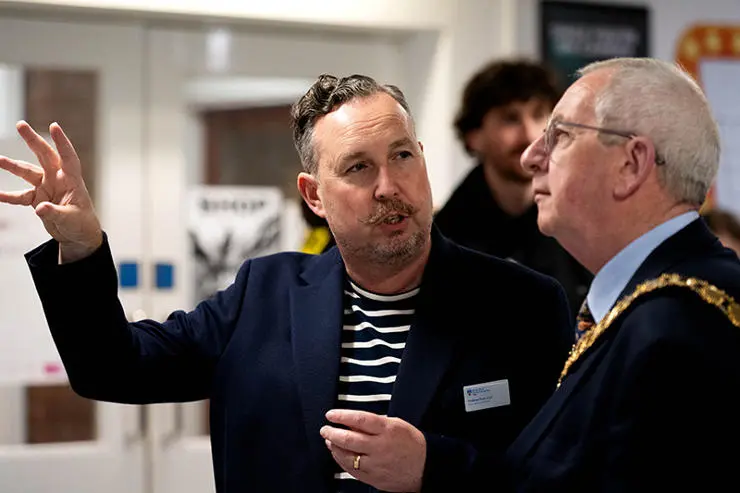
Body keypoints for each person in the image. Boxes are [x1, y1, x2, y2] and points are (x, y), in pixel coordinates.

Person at [0, 74, 572, 492]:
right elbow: (111, 367)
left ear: (423, 160)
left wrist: (434, 468)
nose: (389, 186)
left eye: (402, 156)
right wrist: (79, 248)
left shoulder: (522, 304)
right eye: (357, 168)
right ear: (313, 195)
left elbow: (569, 470)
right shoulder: (262, 294)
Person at [505, 57, 740, 491]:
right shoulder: (656, 306)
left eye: (560, 136)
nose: (529, 157)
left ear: (631, 164)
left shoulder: (677, 325)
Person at [435, 59, 592, 317]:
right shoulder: (443, 237)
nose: (530, 135)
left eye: (539, 114)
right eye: (510, 119)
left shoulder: (579, 222)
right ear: (474, 136)